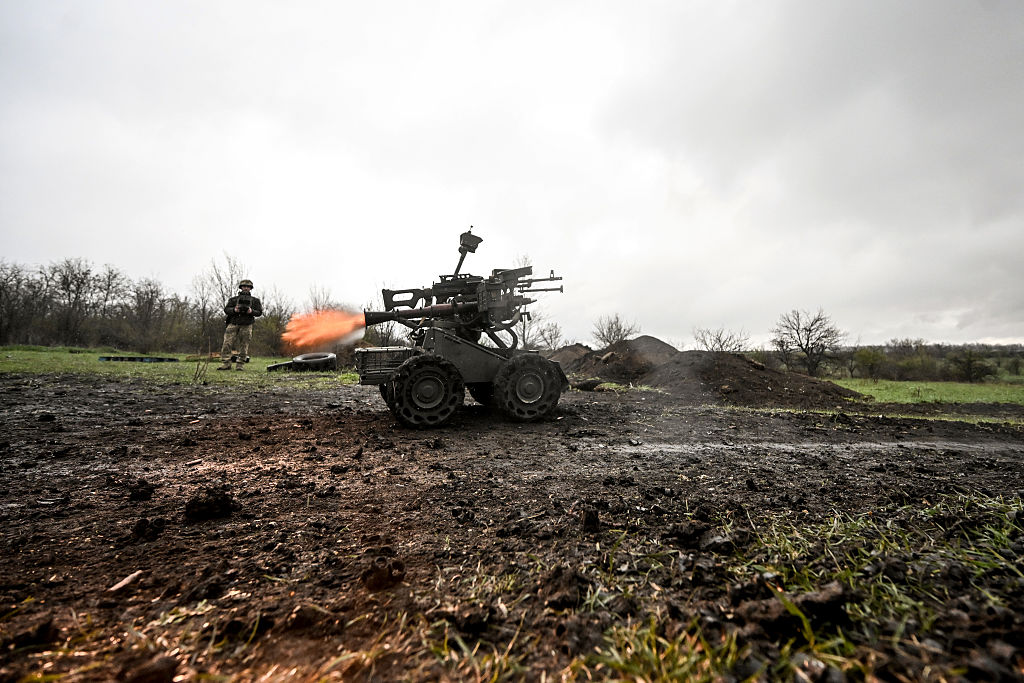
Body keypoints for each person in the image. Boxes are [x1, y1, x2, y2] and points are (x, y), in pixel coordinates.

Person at [218, 279, 263, 370]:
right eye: (244, 286)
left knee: (244, 345)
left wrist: (251, 311)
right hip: (233, 323)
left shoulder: (255, 301)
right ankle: (226, 363)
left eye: (248, 287)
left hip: (247, 324)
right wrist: (234, 310)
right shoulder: (233, 300)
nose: (246, 288)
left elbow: (259, 312)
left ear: (250, 288)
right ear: (241, 287)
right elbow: (226, 310)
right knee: (227, 343)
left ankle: (240, 364)